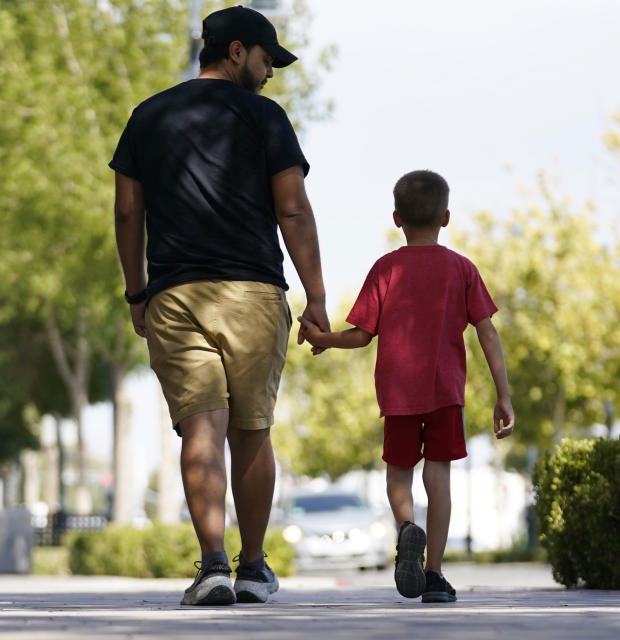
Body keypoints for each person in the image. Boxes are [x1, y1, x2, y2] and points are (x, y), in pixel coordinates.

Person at [111, 6, 330, 606]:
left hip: (176, 295)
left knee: (199, 429)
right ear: (236, 52)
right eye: (265, 61)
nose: (269, 74)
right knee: (252, 431)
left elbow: (128, 211)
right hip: (253, 293)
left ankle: (211, 566)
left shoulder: (148, 116)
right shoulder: (265, 117)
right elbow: (293, 210)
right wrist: (316, 295)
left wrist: (138, 292)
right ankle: (253, 569)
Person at [297, 170, 515, 603]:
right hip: (446, 392)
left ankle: (406, 528)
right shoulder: (462, 269)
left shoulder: (386, 269)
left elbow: (360, 334)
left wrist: (322, 339)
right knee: (439, 475)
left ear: (397, 218)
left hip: (398, 393)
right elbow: (488, 333)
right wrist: (503, 394)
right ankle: (434, 573)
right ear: (446, 217)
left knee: (399, 472)